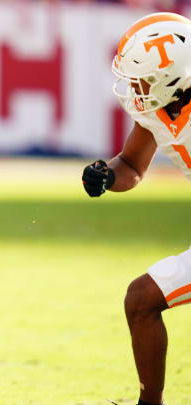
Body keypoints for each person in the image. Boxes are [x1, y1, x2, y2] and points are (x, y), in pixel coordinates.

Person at [82, 12, 191, 405]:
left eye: (144, 78)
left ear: (172, 76)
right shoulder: (158, 110)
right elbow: (131, 165)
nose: (136, 88)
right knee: (141, 299)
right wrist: (107, 177)